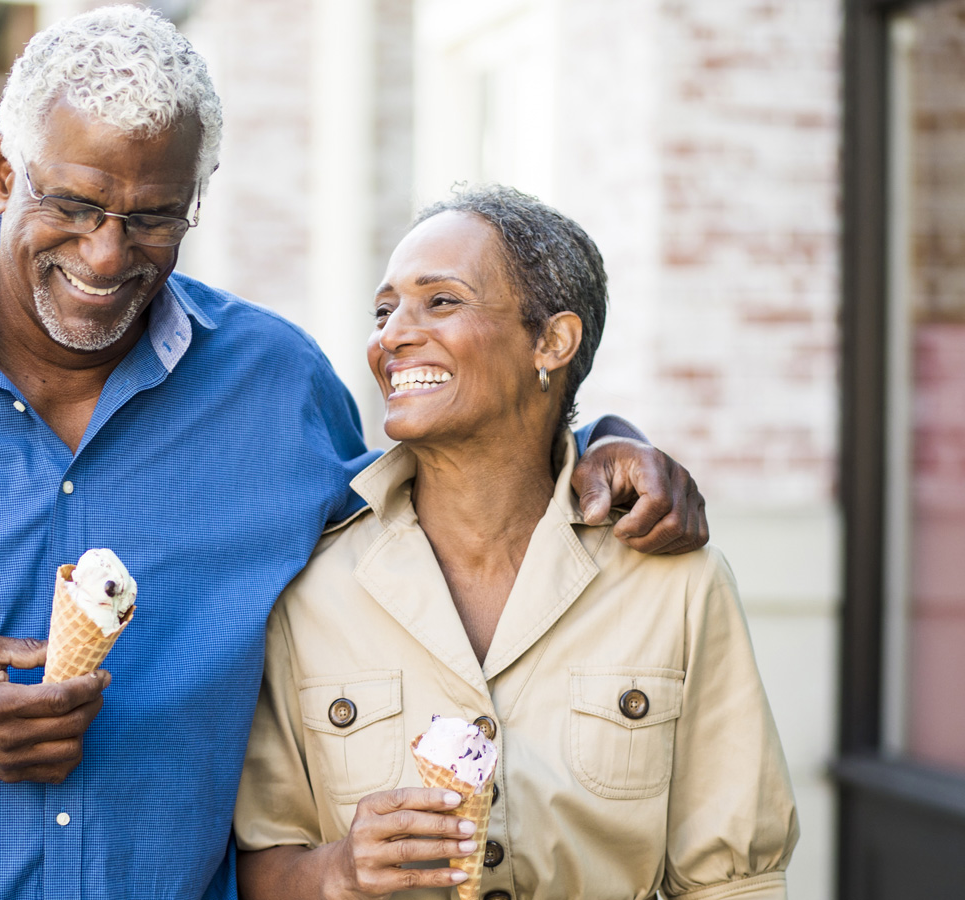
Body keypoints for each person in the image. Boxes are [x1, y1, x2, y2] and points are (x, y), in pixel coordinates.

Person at [0, 8, 710, 900]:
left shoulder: (275, 387)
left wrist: (596, 441)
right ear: (1, 169)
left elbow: (436, 517)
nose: (107, 256)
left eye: (152, 218)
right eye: (73, 204)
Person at [233, 185, 797, 900]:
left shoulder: (677, 584)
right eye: (384, 310)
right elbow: (255, 864)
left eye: (440, 301)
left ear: (552, 342)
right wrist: (339, 870)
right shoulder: (310, 587)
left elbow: (732, 881)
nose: (392, 336)